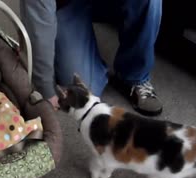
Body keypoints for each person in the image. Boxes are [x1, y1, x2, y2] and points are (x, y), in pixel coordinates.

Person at [20, 0, 163, 116]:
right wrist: (45, 88)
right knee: (83, 89)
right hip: (67, 5)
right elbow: (39, 19)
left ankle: (135, 75)